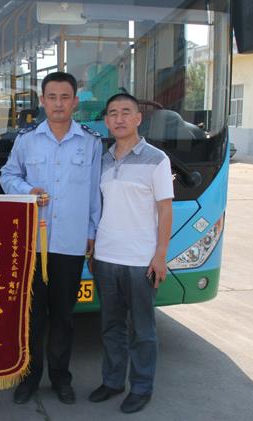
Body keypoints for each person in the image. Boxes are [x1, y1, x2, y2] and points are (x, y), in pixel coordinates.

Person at [0, 72, 102, 405]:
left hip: (70, 244)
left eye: (65, 97)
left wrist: (91, 232)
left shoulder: (90, 142)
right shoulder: (27, 140)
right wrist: (26, 190)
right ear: (42, 101)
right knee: (31, 317)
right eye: (52, 97)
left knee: (63, 317)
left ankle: (60, 378)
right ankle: (28, 378)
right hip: (33, 245)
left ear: (75, 102)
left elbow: (94, 193)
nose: (58, 104)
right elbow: (7, 175)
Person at [87, 93, 173, 414]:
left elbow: (165, 210)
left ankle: (141, 387)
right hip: (106, 258)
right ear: (106, 121)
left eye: (126, 112)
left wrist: (160, 255)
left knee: (142, 330)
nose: (119, 118)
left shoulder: (156, 159)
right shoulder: (104, 160)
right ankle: (112, 382)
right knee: (111, 327)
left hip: (140, 262)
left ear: (138, 118)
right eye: (113, 113)